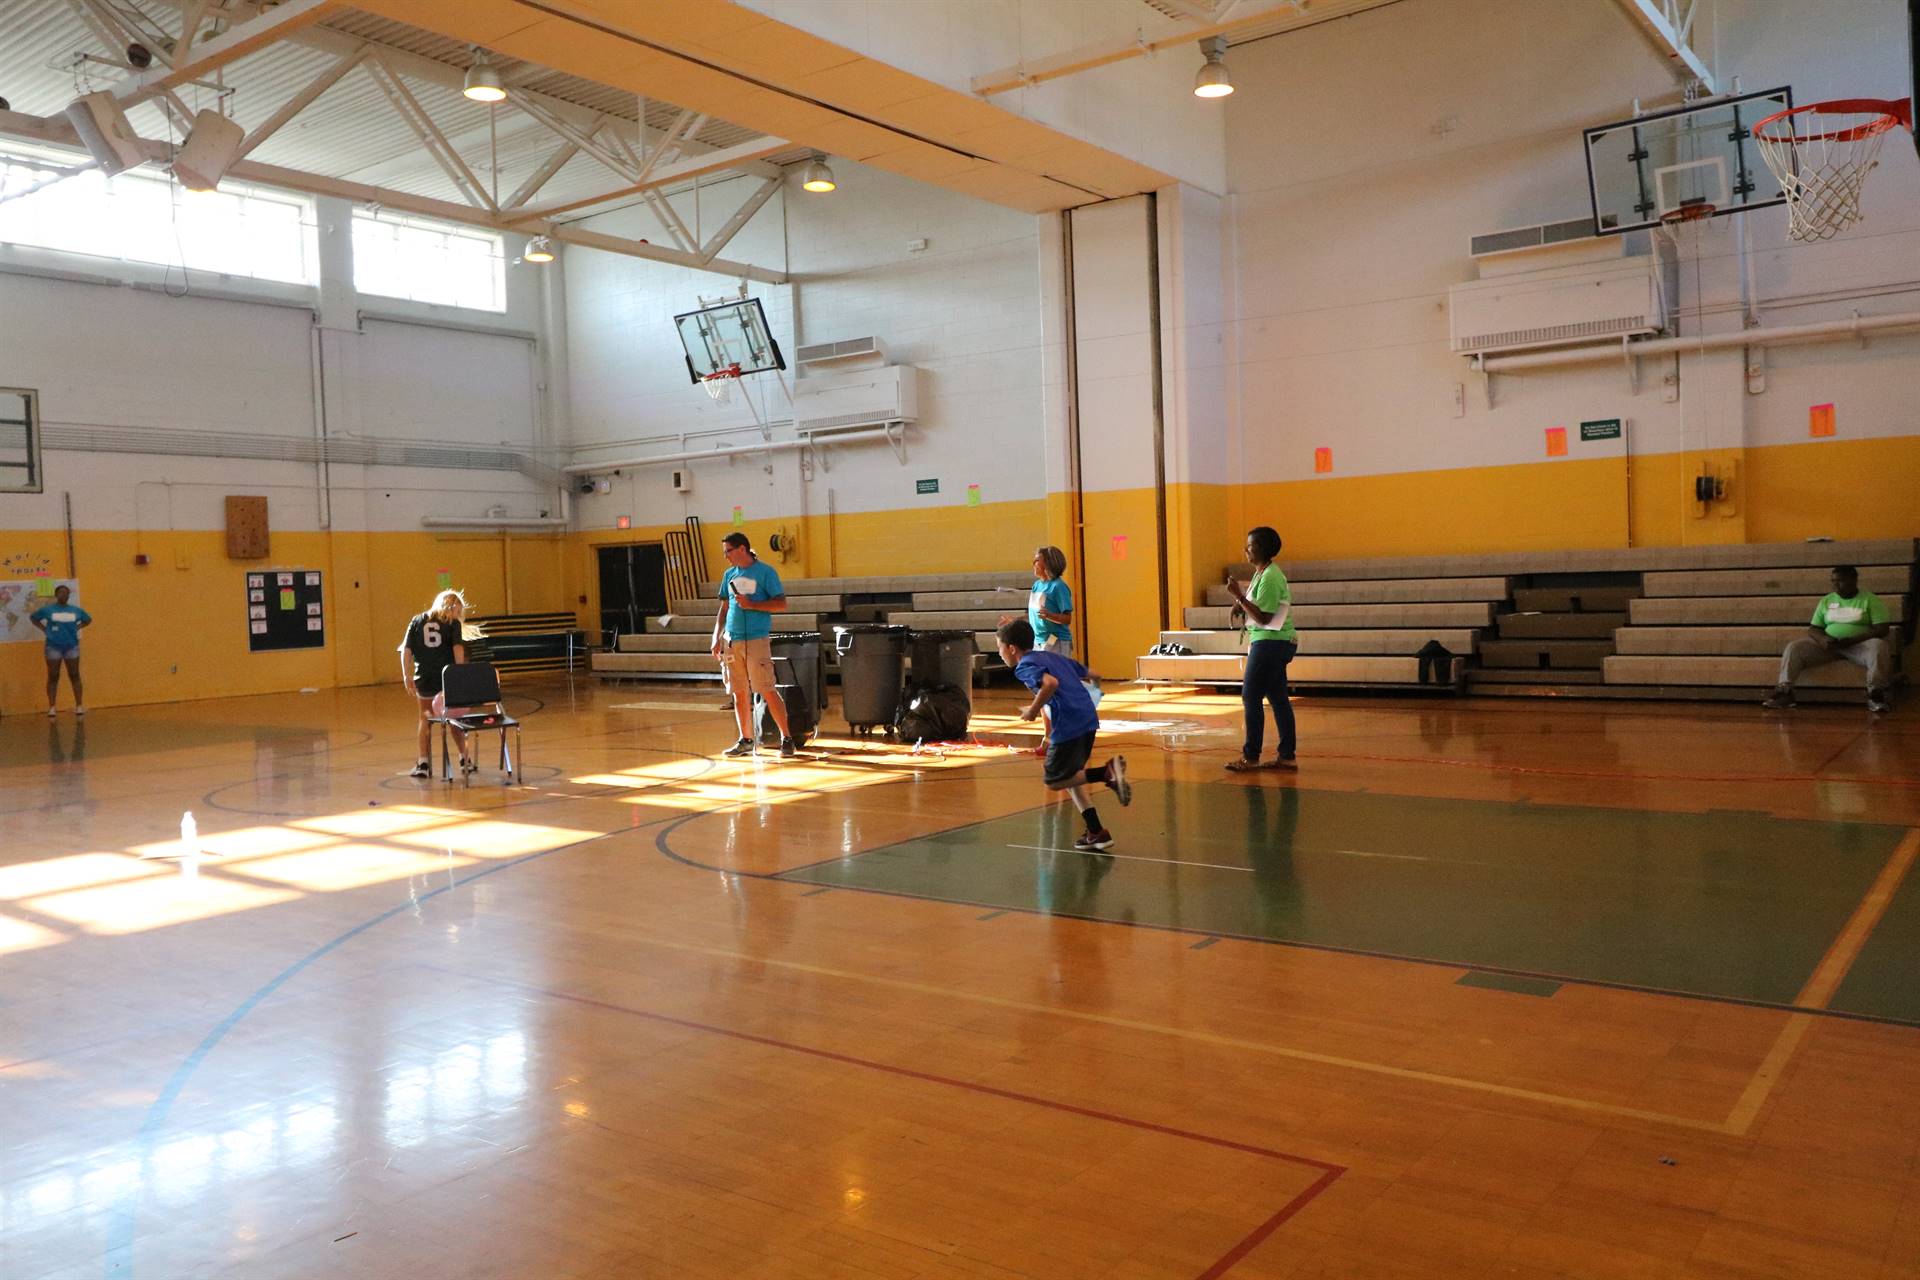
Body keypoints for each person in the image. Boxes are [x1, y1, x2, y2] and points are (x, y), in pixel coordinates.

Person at [996, 617, 1130, 851]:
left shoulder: (1024, 666)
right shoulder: (1054, 657)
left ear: (1011, 648)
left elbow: (1050, 683)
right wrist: (1092, 700)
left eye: (999, 648)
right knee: (1071, 777)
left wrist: (1032, 711)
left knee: (1054, 780)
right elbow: (1095, 675)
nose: (999, 653)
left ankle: (1105, 773)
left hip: (1069, 724)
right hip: (1087, 719)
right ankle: (1096, 831)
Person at [1762, 565, 1894, 714]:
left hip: (1859, 645)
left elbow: (1882, 629)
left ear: (1854, 580)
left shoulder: (1870, 600)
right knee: (1794, 647)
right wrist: (1822, 640)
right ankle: (1785, 692)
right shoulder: (1826, 601)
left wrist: (1852, 640)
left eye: (1840, 581)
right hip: (1830, 645)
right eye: (1833, 581)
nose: (1835, 585)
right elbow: (1813, 628)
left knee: (1879, 646)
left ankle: (1875, 694)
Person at [711, 532, 797, 759]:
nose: (726, 556)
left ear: (741, 549)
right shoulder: (728, 574)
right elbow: (724, 608)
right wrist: (716, 636)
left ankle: (786, 738)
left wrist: (753, 605)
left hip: (756, 640)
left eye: (728, 551)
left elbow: (781, 604)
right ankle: (746, 739)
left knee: (767, 689)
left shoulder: (766, 572)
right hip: (732, 640)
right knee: (739, 692)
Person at [1224, 526, 1298, 771]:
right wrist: (1240, 603)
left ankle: (1251, 756)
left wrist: (1240, 597)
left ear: (1263, 549)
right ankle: (1286, 756)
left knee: (1250, 696)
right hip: (1271, 642)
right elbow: (1257, 606)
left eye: (1251, 545)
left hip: (1270, 642)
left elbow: (1265, 617)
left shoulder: (1270, 577)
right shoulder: (1261, 573)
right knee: (1278, 698)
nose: (1246, 549)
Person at [400, 589, 480, 778]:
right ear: (452, 607)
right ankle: (464, 760)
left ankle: (423, 764)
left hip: (425, 679)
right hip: (446, 679)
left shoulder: (417, 620)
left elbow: (406, 650)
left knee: (425, 719)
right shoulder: (451, 623)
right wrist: (460, 673)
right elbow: (458, 649)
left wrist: (406, 674)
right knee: (454, 720)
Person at [31, 585, 91, 718]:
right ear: (56, 595)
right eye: (61, 592)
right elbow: (34, 618)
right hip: (53, 646)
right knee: (53, 675)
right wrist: (44, 629)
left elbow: (88, 620)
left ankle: (79, 705)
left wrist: (77, 627)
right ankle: (52, 707)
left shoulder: (76, 610)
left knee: (75, 675)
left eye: (66, 593)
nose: (63, 595)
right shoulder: (48, 610)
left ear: (69, 596)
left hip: (71, 646)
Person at [1028, 545, 1075, 654]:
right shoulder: (1036, 585)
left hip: (1056, 640)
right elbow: (1035, 613)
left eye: (1037, 560)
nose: (1033, 563)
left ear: (1048, 564)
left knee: (1055, 671)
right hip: (1038, 641)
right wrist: (1015, 620)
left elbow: (1067, 619)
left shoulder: (1058, 587)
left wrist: (1049, 615)